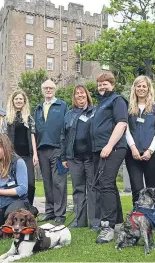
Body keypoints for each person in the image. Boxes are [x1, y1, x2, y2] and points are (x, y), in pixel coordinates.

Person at [90, 72, 128, 244]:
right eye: (99, 84)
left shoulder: (117, 100)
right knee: (108, 184)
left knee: (105, 183)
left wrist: (109, 145)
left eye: (105, 83)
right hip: (101, 149)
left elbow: (121, 124)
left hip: (114, 148)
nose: (102, 86)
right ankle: (118, 222)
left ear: (112, 85)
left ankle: (108, 227)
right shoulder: (100, 104)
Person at [0, 133, 30, 242]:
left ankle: (26, 216)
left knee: (11, 213)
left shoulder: (18, 162)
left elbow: (23, 189)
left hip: (15, 201)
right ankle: (4, 226)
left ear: (3, 145)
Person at [60, 85, 98, 229]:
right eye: (77, 93)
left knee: (93, 188)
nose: (80, 95)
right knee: (78, 189)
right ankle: (80, 221)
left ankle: (95, 222)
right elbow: (63, 137)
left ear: (87, 95)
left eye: (82, 92)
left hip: (91, 157)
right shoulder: (69, 114)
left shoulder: (95, 111)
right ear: (74, 97)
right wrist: (63, 157)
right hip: (74, 158)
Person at [125, 76, 155, 206]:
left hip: (152, 155)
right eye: (138, 86)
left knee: (151, 190)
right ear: (134, 88)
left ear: (148, 89)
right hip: (133, 154)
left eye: (144, 86)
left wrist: (150, 150)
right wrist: (133, 147)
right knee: (137, 189)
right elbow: (126, 130)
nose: (141, 89)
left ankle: (150, 223)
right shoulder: (129, 108)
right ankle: (137, 223)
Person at [34, 79, 68, 224]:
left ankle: (60, 214)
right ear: (42, 90)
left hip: (58, 149)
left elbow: (66, 128)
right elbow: (34, 131)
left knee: (59, 182)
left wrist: (64, 150)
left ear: (54, 90)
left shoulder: (62, 105)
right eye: (46, 88)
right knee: (47, 182)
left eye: (51, 88)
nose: (48, 90)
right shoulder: (38, 108)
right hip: (42, 150)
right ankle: (50, 212)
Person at [2, 89, 38, 206]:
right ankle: (14, 209)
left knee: (30, 184)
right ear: (13, 101)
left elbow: (33, 136)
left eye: (20, 99)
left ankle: (29, 208)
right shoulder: (7, 118)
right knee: (13, 184)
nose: (18, 101)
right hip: (12, 156)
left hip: (27, 155)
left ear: (24, 102)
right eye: (16, 99)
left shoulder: (29, 118)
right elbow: (3, 137)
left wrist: (35, 155)